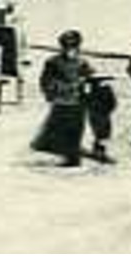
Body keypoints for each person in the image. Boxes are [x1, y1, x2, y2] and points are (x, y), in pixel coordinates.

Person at [33, 29, 95, 166]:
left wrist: (87, 83)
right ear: (62, 47)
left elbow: (90, 77)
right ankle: (68, 153)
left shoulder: (82, 62)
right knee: (60, 128)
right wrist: (53, 92)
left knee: (76, 129)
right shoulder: (53, 62)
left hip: (78, 101)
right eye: (67, 47)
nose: (71, 50)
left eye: (74, 47)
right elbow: (46, 81)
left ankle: (73, 155)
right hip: (61, 101)